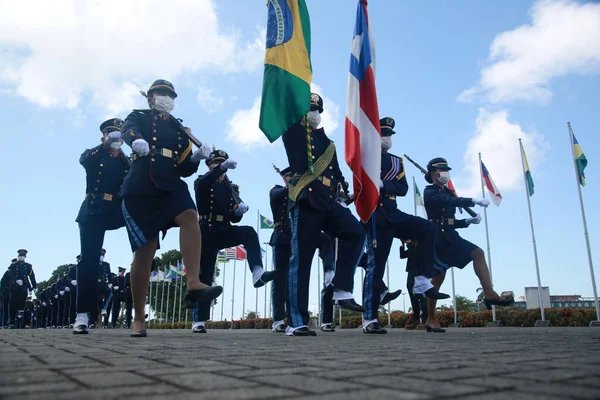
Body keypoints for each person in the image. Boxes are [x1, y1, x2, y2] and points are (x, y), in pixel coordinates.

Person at [120, 79, 221, 337]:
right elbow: (127, 130)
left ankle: (193, 282)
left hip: (170, 184)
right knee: (146, 250)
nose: (166, 97)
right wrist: (136, 142)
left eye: (169, 94)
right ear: (150, 98)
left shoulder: (180, 128)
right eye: (160, 93)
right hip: (142, 184)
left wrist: (197, 158)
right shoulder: (139, 116)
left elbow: (184, 168)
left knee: (189, 214)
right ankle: (139, 317)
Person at [282, 93, 365, 336]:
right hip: (306, 199)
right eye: (309, 109)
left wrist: (343, 191)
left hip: (328, 202)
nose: (314, 113)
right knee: (302, 260)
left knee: (355, 232)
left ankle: (341, 288)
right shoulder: (295, 133)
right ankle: (296, 321)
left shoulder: (328, 144)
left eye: (317, 109)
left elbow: (337, 173)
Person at [362, 117, 448, 335]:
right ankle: (370, 318)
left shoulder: (397, 161)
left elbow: (403, 189)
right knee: (376, 266)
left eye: (389, 135)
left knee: (427, 228)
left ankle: (421, 278)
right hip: (375, 214)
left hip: (393, 211)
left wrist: (383, 184)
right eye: (383, 134)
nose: (387, 138)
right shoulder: (366, 156)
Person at [423, 157, 514, 332]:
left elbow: (450, 220)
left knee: (477, 253)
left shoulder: (446, 191)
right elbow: (449, 204)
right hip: (437, 239)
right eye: (442, 170)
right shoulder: (430, 192)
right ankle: (431, 318)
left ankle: (489, 293)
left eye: (446, 169)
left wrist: (467, 221)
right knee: (438, 278)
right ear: (433, 173)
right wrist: (473, 200)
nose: (445, 173)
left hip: (451, 236)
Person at [191, 150, 275, 333]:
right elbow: (204, 185)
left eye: (222, 163)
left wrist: (238, 213)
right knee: (204, 274)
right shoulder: (202, 181)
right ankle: (199, 320)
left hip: (224, 229)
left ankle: (257, 272)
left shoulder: (232, 188)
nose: (219, 167)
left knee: (249, 233)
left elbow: (234, 218)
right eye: (216, 163)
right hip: (206, 229)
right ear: (209, 165)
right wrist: (219, 169)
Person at [74, 118, 130, 334]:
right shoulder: (95, 155)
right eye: (110, 135)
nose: (115, 139)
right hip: (93, 209)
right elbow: (84, 159)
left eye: (118, 136)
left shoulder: (126, 162)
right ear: (104, 137)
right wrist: (105, 146)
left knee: (143, 231)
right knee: (89, 261)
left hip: (117, 211)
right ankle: (82, 315)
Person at [401, 241, 427, 330]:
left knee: (422, 294)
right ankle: (416, 318)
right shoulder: (411, 247)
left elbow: (417, 253)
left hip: (421, 270)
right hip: (412, 270)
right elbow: (403, 255)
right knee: (411, 290)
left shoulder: (421, 244)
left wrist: (410, 244)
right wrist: (402, 245)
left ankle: (425, 319)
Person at [8, 249, 37, 329]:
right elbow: (11, 274)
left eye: (23, 256)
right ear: (18, 256)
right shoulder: (13, 265)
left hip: (24, 285)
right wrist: (16, 280)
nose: (22, 257)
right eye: (21, 255)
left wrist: (34, 286)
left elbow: (32, 277)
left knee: (23, 305)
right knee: (13, 304)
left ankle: (24, 323)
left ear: (25, 256)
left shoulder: (28, 266)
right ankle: (12, 323)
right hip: (14, 286)